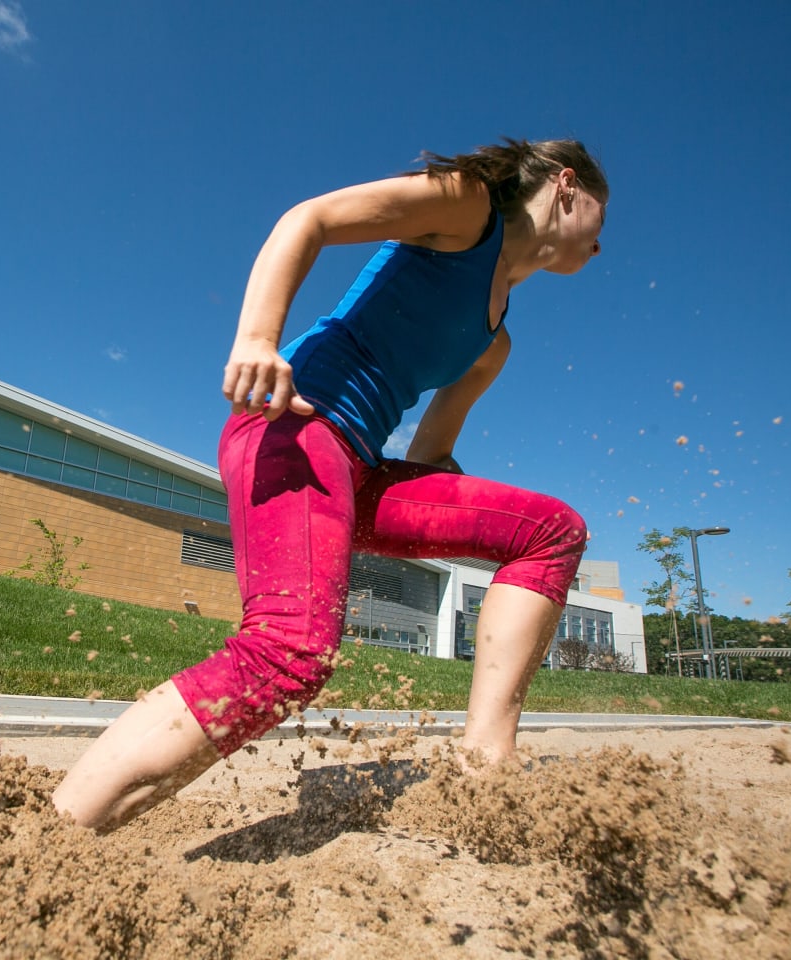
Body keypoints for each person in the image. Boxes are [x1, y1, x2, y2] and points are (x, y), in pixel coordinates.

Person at [52, 138, 608, 832]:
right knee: (290, 652)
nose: (601, 242)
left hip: (359, 470)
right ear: (566, 185)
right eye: (600, 217)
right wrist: (258, 339)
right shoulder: (467, 206)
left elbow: (433, 457)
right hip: (296, 428)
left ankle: (486, 767)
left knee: (550, 531)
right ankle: (54, 831)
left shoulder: (494, 344)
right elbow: (308, 219)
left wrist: (476, 517)